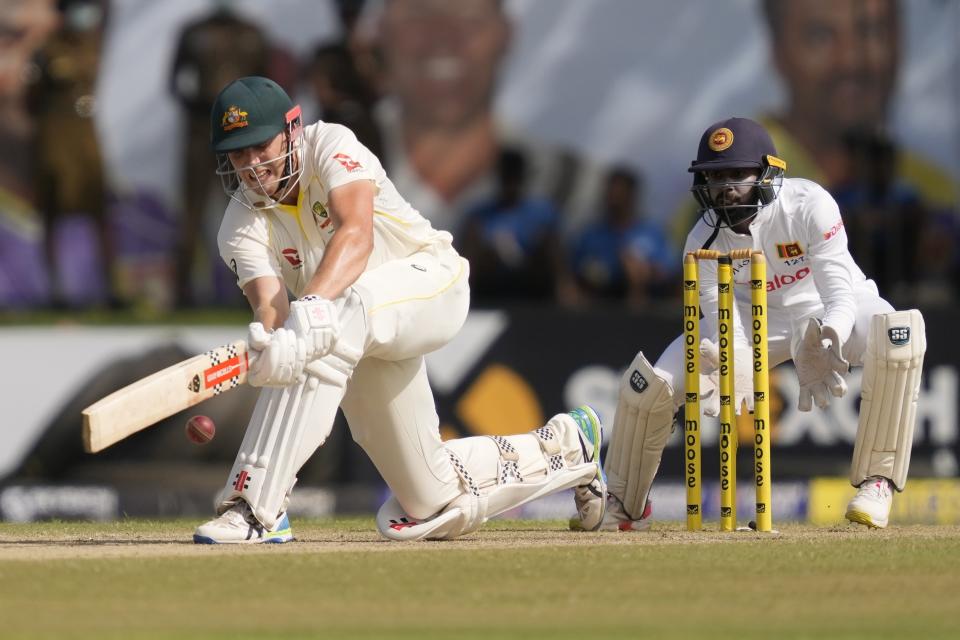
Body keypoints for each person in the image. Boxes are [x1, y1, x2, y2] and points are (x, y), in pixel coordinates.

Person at [192, 76, 606, 543]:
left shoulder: (330, 144)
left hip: (428, 283)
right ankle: (568, 446)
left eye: (258, 146)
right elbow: (272, 309)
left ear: (292, 129)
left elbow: (356, 236)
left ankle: (255, 507)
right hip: (353, 335)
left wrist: (304, 314)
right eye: (237, 153)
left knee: (326, 318)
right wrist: (273, 349)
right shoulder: (239, 223)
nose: (251, 165)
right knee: (429, 497)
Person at [578, 117, 926, 532]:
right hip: (748, 318)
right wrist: (736, 357)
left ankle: (878, 483)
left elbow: (838, 291)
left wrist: (826, 337)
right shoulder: (701, 239)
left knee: (897, 337)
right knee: (651, 386)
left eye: (736, 174)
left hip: (830, 307)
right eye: (714, 176)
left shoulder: (809, 205)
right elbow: (717, 311)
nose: (725, 187)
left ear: (767, 172)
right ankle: (624, 501)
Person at [568, 166, 674, 306]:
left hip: (646, 307)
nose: (613, 198)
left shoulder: (652, 232)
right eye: (610, 191)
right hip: (598, 306)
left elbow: (670, 270)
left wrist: (645, 271)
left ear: (632, 195)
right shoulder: (591, 233)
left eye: (619, 192)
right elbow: (573, 272)